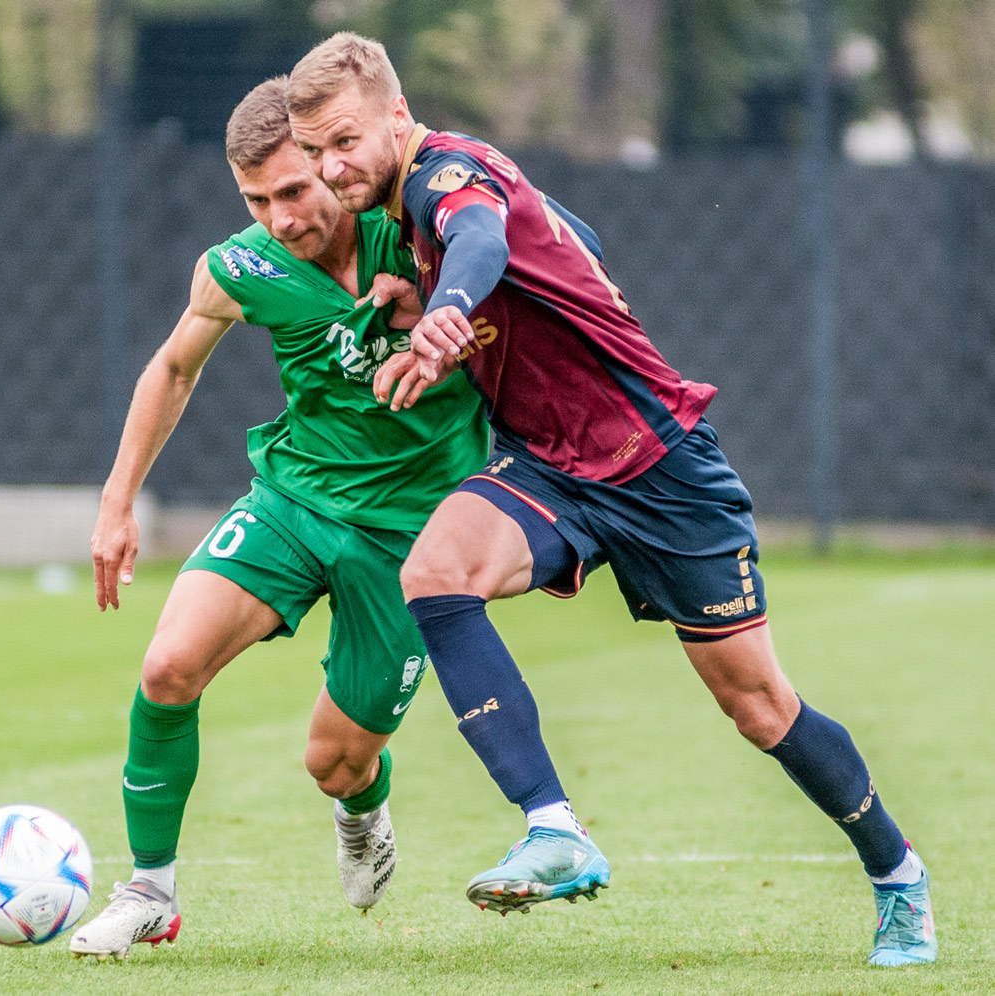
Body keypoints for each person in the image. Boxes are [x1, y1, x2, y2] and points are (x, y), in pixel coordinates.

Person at [285, 33, 935, 967]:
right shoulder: (424, 206)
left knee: (759, 707)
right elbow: (567, 238)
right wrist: (430, 297)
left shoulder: (441, 177)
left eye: (343, 141)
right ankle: (555, 827)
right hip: (553, 468)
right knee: (435, 573)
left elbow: (482, 232)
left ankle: (897, 876)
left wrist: (447, 308)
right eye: (315, 153)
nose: (331, 167)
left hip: (661, 469)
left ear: (397, 116)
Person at [68, 76, 490, 960]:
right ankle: (150, 891)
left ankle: (361, 809)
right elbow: (172, 369)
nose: (282, 216)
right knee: (168, 665)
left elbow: (509, 315)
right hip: (293, 504)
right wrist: (117, 504)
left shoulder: (414, 226)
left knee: (333, 761)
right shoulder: (238, 267)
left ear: (334, 161)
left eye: (294, 190)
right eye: (256, 199)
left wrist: (440, 321)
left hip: (408, 541)